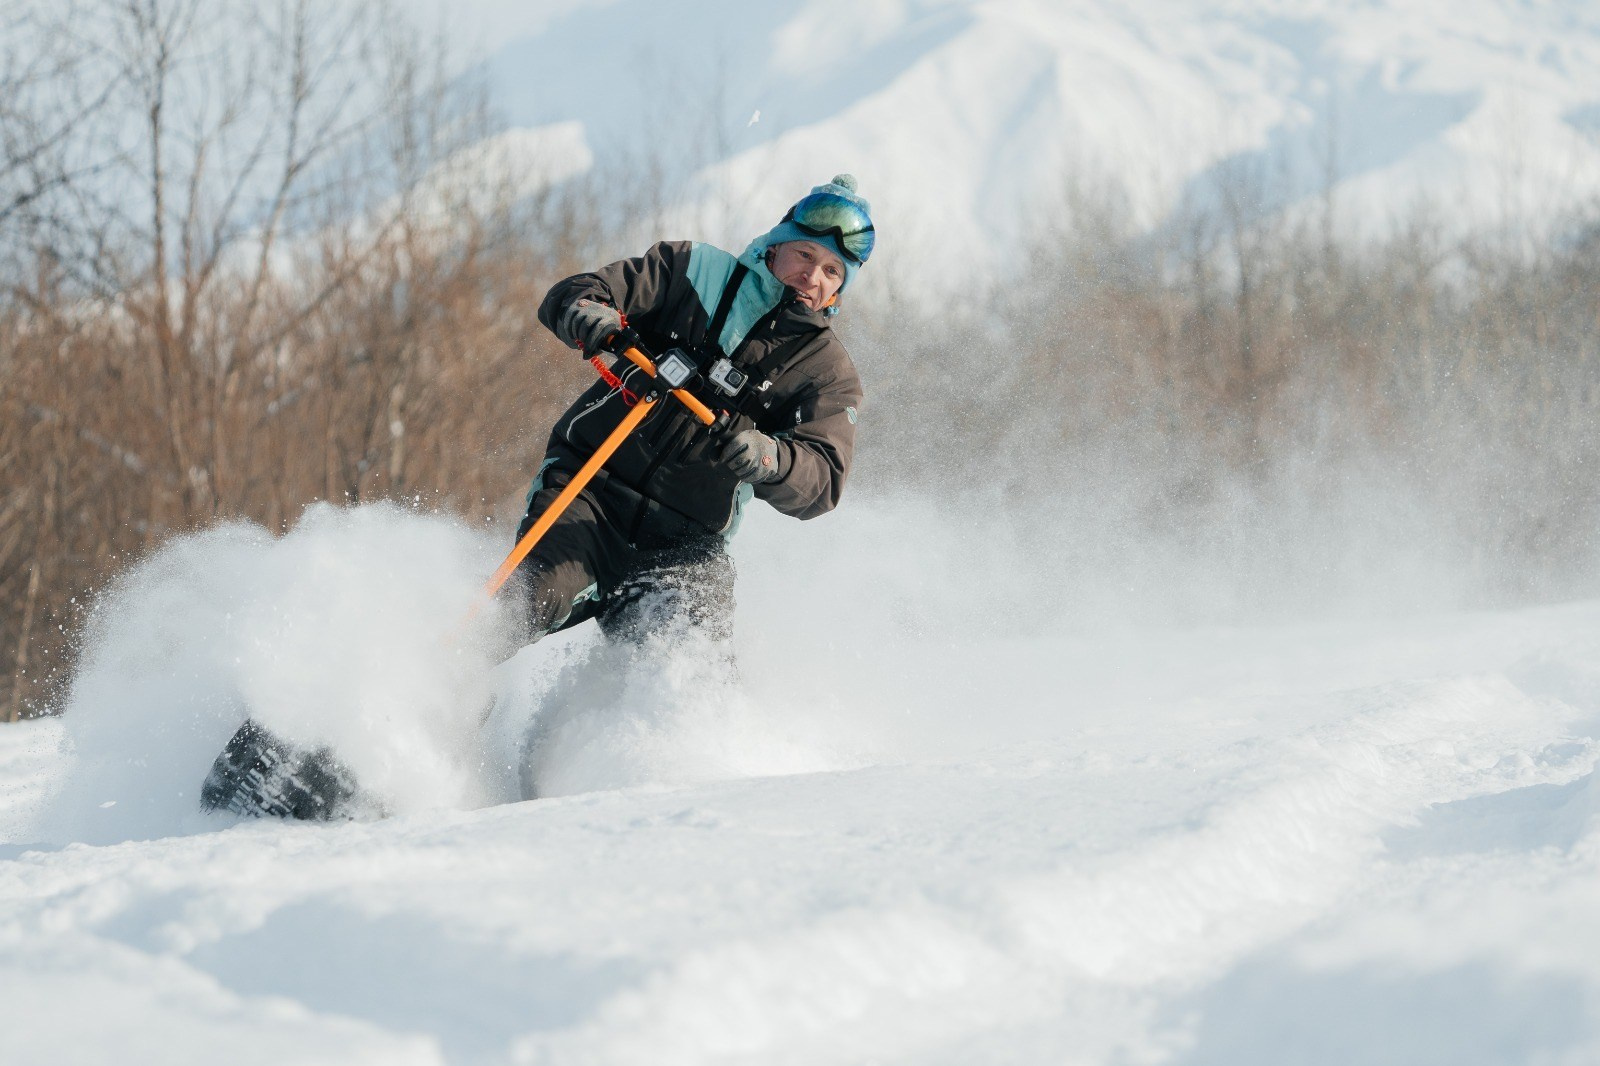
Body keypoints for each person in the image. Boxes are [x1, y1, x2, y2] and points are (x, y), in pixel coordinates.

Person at [511, 174, 874, 649]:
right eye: (805, 255)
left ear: (840, 289)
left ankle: (653, 725)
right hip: (588, 493)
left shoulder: (829, 372)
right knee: (523, 603)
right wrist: (588, 311)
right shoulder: (693, 269)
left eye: (832, 271)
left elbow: (823, 480)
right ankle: (440, 698)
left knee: (690, 668)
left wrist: (771, 458)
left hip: (686, 548)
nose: (812, 277)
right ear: (776, 245)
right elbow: (583, 290)